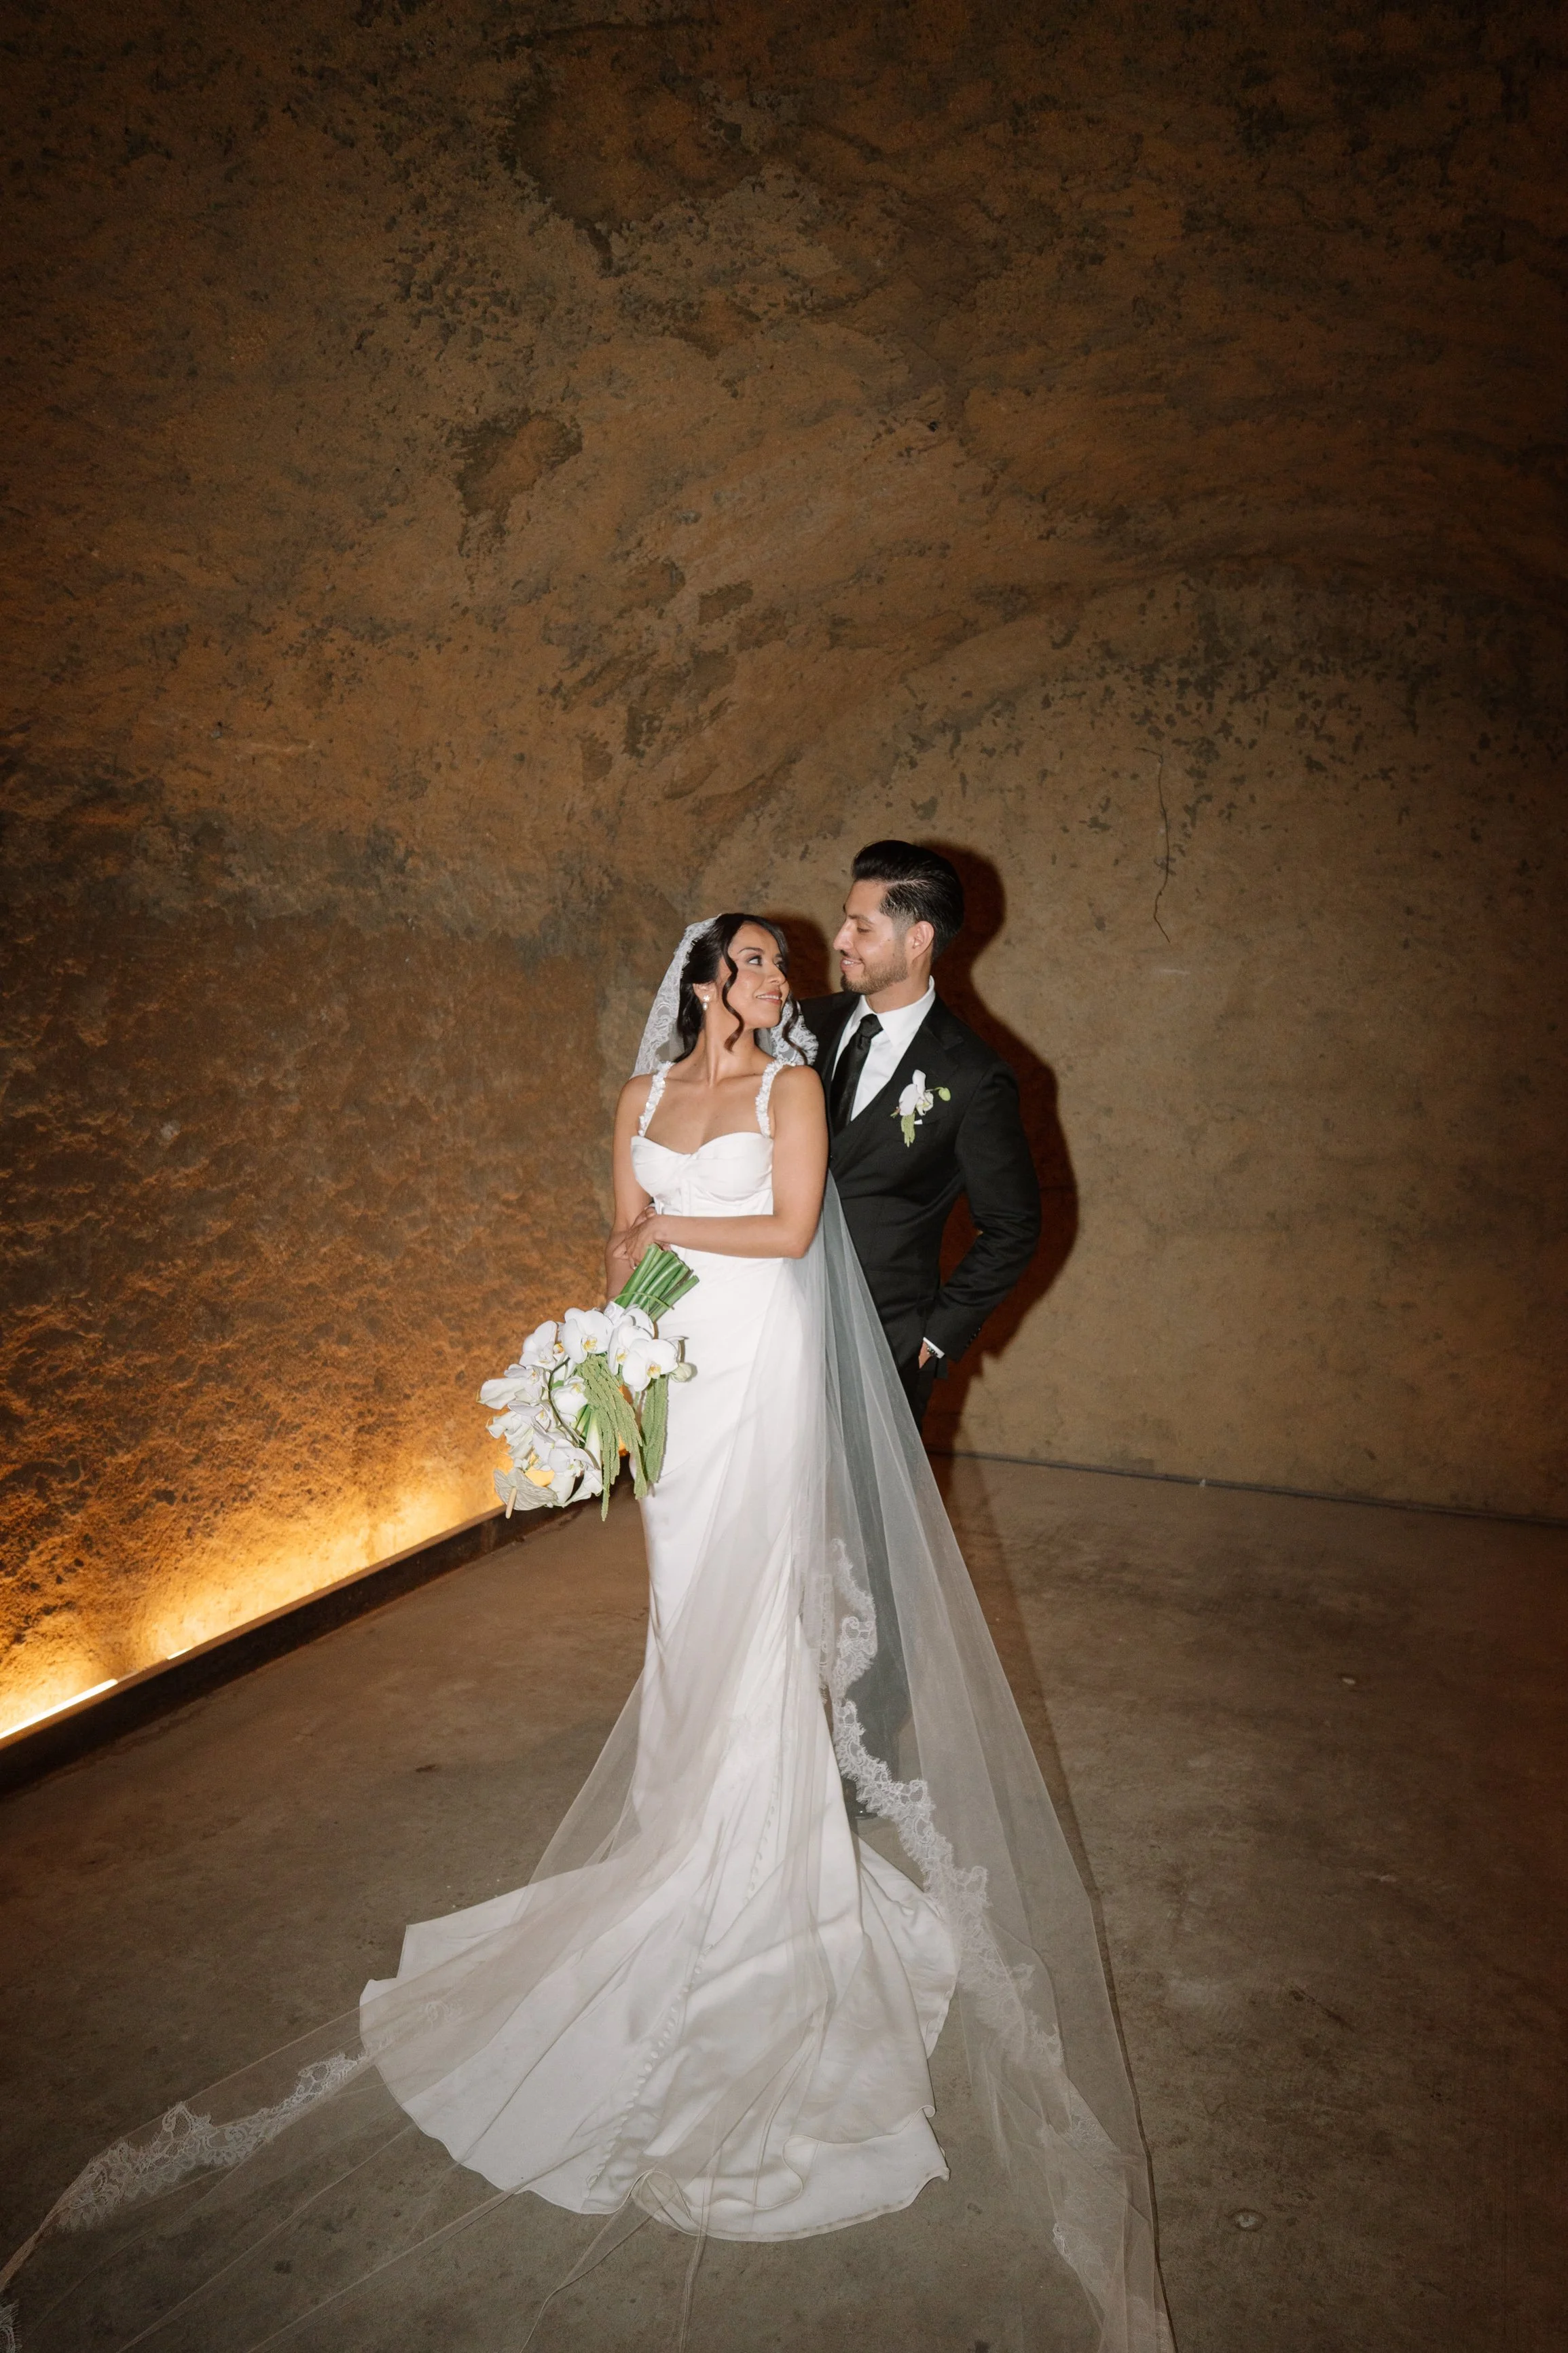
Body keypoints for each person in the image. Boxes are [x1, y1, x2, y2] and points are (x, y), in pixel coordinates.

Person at [1, 916, 1170, 2353]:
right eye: (746, 961)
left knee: (759, 1619)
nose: (772, 982)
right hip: (677, 1363)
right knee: (688, 1620)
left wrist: (658, 1234)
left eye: (780, 966)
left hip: (765, 1369)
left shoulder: (786, 1091)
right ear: (696, 979)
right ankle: (683, 1841)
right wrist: (599, 1366)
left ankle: (759, 1883)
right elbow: (616, 1249)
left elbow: (793, 1230)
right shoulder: (635, 1099)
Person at [799, 840, 1042, 1429]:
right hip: (766, 1322)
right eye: (844, 921)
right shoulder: (797, 1025)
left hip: (883, 1340)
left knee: (861, 1520)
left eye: (861, 927)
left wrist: (937, 1332)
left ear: (917, 939)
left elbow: (1013, 1226)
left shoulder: (971, 1074)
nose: (839, 940)